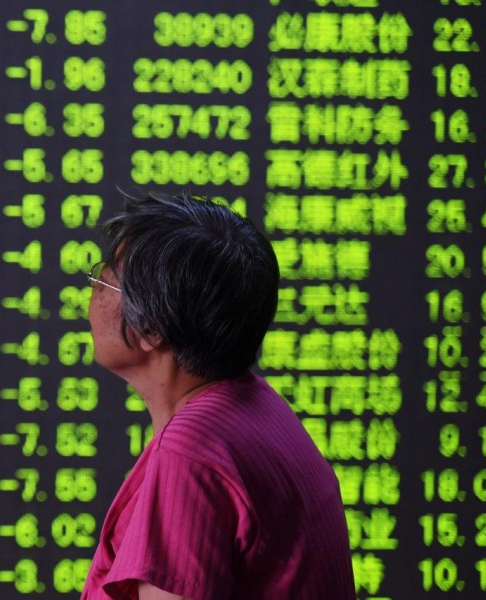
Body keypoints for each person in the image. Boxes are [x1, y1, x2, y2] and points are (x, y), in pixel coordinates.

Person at [80, 191, 355, 600]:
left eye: (105, 280)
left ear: (151, 328)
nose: (92, 294)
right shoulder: (252, 406)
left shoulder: (191, 453)